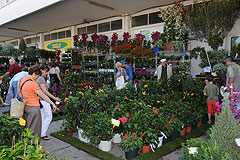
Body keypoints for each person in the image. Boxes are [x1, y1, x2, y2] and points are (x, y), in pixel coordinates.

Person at [17, 65, 58, 139]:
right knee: (35, 129)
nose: (37, 78)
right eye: (37, 75)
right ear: (34, 73)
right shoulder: (32, 83)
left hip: (24, 106)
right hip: (34, 107)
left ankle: (28, 144)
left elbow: (19, 93)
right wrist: (52, 103)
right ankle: (34, 146)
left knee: (28, 127)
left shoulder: (21, 80)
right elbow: (43, 95)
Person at [36, 64, 61, 140]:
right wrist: (54, 98)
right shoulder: (41, 79)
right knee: (49, 117)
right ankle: (43, 134)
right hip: (43, 100)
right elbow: (45, 91)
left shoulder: (38, 78)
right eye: (46, 72)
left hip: (40, 100)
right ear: (41, 70)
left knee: (43, 117)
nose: (47, 73)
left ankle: (41, 133)